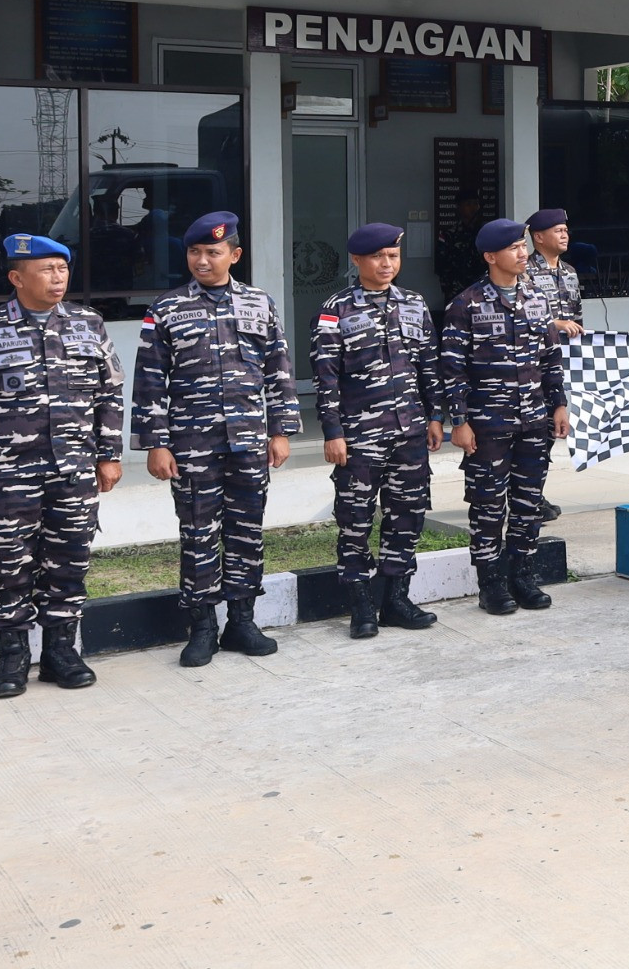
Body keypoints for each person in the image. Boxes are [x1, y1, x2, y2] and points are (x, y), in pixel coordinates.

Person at [0, 232, 125, 698]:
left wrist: (109, 454)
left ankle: (61, 653)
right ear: (17, 277)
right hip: (7, 473)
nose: (57, 278)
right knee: (8, 565)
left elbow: (109, 392)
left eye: (62, 269)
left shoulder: (89, 324)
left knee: (70, 561)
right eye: (46, 270)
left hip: (74, 470)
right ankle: (12, 657)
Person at [132, 211, 299, 669]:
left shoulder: (260, 304)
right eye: (194, 252)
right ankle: (202, 626)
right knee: (198, 533)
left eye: (213, 252)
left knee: (247, 532)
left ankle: (242, 622)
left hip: (248, 440)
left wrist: (281, 431)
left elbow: (278, 371)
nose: (202, 260)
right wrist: (156, 443)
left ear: (235, 254)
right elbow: (149, 381)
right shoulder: (165, 309)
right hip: (191, 444)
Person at [309, 222, 443, 640]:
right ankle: (361, 605)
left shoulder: (415, 304)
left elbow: (429, 366)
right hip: (360, 437)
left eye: (393, 257)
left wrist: (435, 417)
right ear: (357, 261)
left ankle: (396, 599)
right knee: (355, 520)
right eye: (378, 257)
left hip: (410, 433)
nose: (387, 264)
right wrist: (333, 432)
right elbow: (325, 378)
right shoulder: (336, 310)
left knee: (407, 516)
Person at [439, 218, 568, 616]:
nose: (522, 252)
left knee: (528, 504)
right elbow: (452, 369)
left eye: (522, 245)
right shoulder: (466, 304)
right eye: (512, 248)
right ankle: (491, 584)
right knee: (488, 505)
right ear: (491, 257)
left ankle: (522, 576)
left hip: (533, 420)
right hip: (487, 426)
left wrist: (559, 403)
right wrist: (458, 422)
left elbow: (550, 358)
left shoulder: (537, 298)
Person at [521, 207, 583, 521]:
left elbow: (578, 318)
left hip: (560, 365)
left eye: (565, 230)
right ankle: (529, 496)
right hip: (532, 365)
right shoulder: (524, 272)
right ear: (538, 236)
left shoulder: (570, 271)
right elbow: (521, 319)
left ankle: (535, 494)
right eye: (557, 230)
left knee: (550, 432)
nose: (564, 235)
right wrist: (554, 324)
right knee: (536, 434)